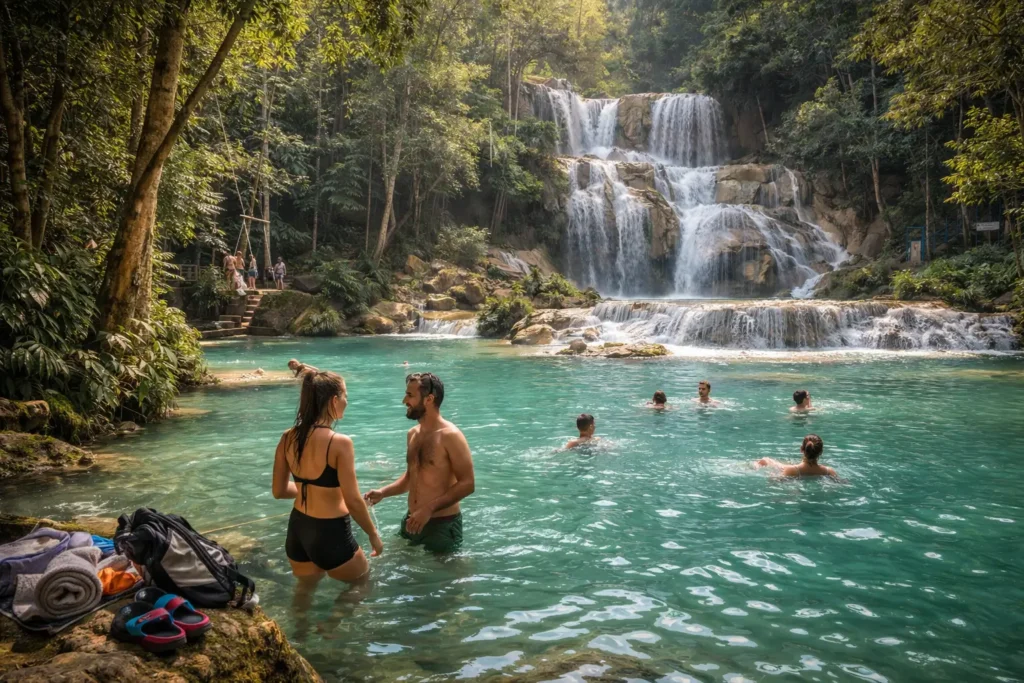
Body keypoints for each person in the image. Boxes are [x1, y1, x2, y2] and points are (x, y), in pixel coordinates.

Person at [272, 370, 383, 585]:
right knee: (362, 586)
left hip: (298, 530)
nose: (347, 401)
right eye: (345, 396)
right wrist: (373, 535)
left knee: (304, 590)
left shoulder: (287, 437)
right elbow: (352, 501)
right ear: (334, 400)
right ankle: (337, 612)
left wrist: (313, 489)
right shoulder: (340, 443)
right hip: (331, 532)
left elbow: (279, 491)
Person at [364, 373, 475, 553]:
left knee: (443, 572)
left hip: (442, 526)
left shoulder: (451, 436)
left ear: (429, 399)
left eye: (410, 395)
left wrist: (428, 509)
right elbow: (411, 478)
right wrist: (383, 492)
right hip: (412, 520)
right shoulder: (413, 434)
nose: (404, 401)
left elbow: (468, 484)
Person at [755, 434, 836, 478]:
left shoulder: (791, 470)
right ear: (821, 452)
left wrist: (770, 473)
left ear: (801, 449)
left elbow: (774, 481)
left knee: (764, 460)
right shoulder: (828, 471)